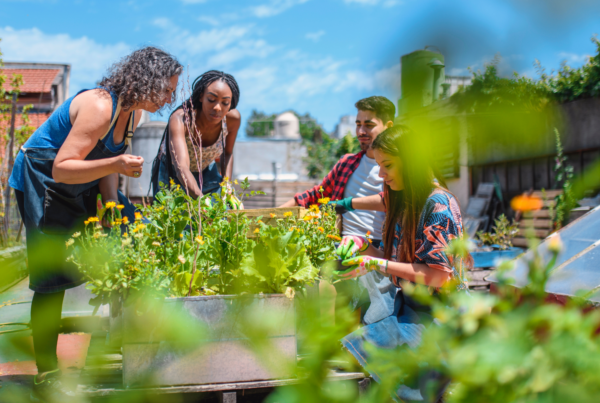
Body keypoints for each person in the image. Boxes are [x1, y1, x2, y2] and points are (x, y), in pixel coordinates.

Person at [8, 47, 182, 402]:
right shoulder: (101, 105)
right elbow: (62, 166)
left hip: (78, 186)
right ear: (147, 80)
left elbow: (104, 166)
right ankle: (47, 373)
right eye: (167, 89)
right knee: (51, 279)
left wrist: (115, 208)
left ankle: (112, 347)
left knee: (122, 242)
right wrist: (118, 164)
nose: (170, 98)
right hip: (43, 180)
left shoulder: (131, 116)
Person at [333, 125, 471, 401]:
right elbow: (392, 255)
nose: (381, 174)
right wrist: (362, 245)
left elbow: (437, 277)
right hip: (410, 307)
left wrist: (373, 264)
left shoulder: (438, 205)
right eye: (379, 165)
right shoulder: (404, 200)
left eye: (388, 165)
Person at [280, 96, 395, 323]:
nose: (361, 131)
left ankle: (340, 345)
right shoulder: (348, 163)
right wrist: (271, 214)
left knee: (348, 299)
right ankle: (327, 346)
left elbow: (402, 201)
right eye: (358, 124)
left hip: (378, 250)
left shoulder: (397, 168)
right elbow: (314, 196)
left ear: (388, 126)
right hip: (340, 245)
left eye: (369, 125)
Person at [151, 70, 241, 203]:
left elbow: (227, 154)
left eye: (225, 103)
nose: (217, 107)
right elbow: (181, 167)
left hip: (205, 170)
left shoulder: (232, 119)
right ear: (200, 97)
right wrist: (202, 202)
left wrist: (227, 186)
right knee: (174, 221)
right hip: (173, 173)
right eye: (211, 99)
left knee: (220, 215)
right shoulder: (182, 119)